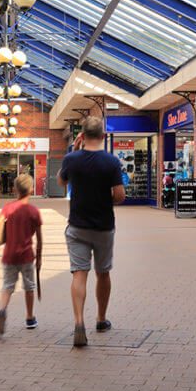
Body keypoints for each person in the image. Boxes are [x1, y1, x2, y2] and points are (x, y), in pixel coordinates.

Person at [58, 116, 126, 347]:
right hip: (104, 227)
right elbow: (119, 196)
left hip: (77, 226)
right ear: (103, 137)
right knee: (103, 273)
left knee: (79, 273)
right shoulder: (111, 162)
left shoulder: (72, 159)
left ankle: (79, 322)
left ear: (82, 135)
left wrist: (74, 150)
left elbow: (61, 182)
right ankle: (101, 318)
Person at [0, 174, 43, 335]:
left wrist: (2, 236)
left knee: (7, 285)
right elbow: (40, 238)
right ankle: (29, 317)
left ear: (15, 189)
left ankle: (2, 310)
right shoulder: (33, 211)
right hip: (27, 255)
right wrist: (39, 257)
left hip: (9, 255)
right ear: (31, 189)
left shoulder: (8, 208)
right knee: (29, 286)